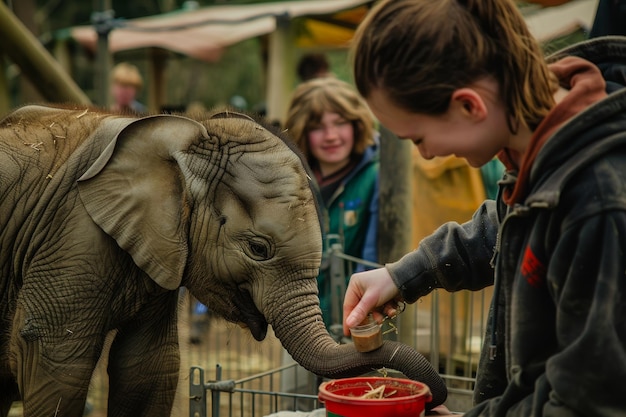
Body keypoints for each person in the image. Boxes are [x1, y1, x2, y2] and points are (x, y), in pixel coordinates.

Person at [342, 0, 626, 416]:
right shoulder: (542, 144)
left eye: (418, 138)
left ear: (470, 106)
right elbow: (511, 226)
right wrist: (402, 275)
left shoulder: (599, 204)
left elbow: (586, 404)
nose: (428, 153)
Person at [285, 76, 379, 332]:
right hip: (299, 320)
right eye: (317, 127)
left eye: (340, 123)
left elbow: (372, 257)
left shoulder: (376, 176)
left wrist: (357, 317)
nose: (331, 136)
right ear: (302, 130)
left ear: (357, 125)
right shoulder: (290, 178)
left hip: (356, 319)